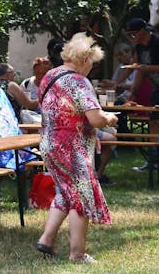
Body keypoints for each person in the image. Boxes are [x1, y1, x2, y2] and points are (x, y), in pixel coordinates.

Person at [35, 33, 118, 263]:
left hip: (49, 143)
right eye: (92, 61)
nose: (92, 67)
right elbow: (95, 118)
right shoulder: (79, 81)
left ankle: (47, 240)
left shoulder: (50, 76)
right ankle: (77, 254)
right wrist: (110, 119)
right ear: (83, 59)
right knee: (81, 196)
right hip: (71, 147)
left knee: (66, 191)